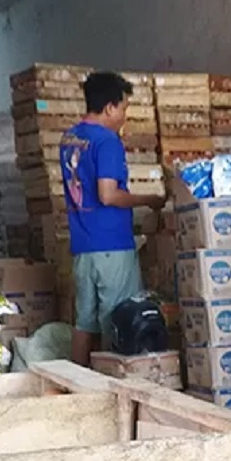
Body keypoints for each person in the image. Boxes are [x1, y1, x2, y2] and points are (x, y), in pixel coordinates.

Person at [59, 71, 166, 366]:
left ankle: (77, 391)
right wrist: (149, 200)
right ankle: (114, 389)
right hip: (112, 247)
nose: (124, 115)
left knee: (84, 322)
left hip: (83, 247)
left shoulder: (70, 139)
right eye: (124, 108)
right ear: (109, 107)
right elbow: (107, 195)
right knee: (118, 321)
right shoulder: (107, 141)